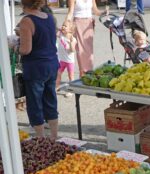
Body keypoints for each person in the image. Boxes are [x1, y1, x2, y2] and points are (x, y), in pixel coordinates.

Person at [17, 0, 59, 140]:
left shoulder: (26, 22)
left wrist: (14, 46)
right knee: (50, 100)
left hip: (36, 68)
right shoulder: (49, 18)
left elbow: (26, 49)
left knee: (35, 103)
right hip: (52, 64)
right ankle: (54, 136)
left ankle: (40, 138)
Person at [66, 0, 106, 77]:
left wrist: (104, 12)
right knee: (81, 51)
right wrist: (66, 24)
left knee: (89, 51)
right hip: (78, 24)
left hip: (89, 25)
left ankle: (89, 73)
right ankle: (82, 74)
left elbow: (96, 11)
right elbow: (70, 13)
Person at [56, 20, 77, 97]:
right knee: (58, 73)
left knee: (71, 76)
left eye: (65, 26)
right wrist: (58, 29)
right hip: (62, 60)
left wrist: (71, 43)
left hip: (69, 61)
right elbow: (55, 31)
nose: (63, 27)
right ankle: (57, 87)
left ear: (71, 30)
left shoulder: (73, 39)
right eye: (63, 25)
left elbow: (72, 50)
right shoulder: (61, 34)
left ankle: (71, 90)